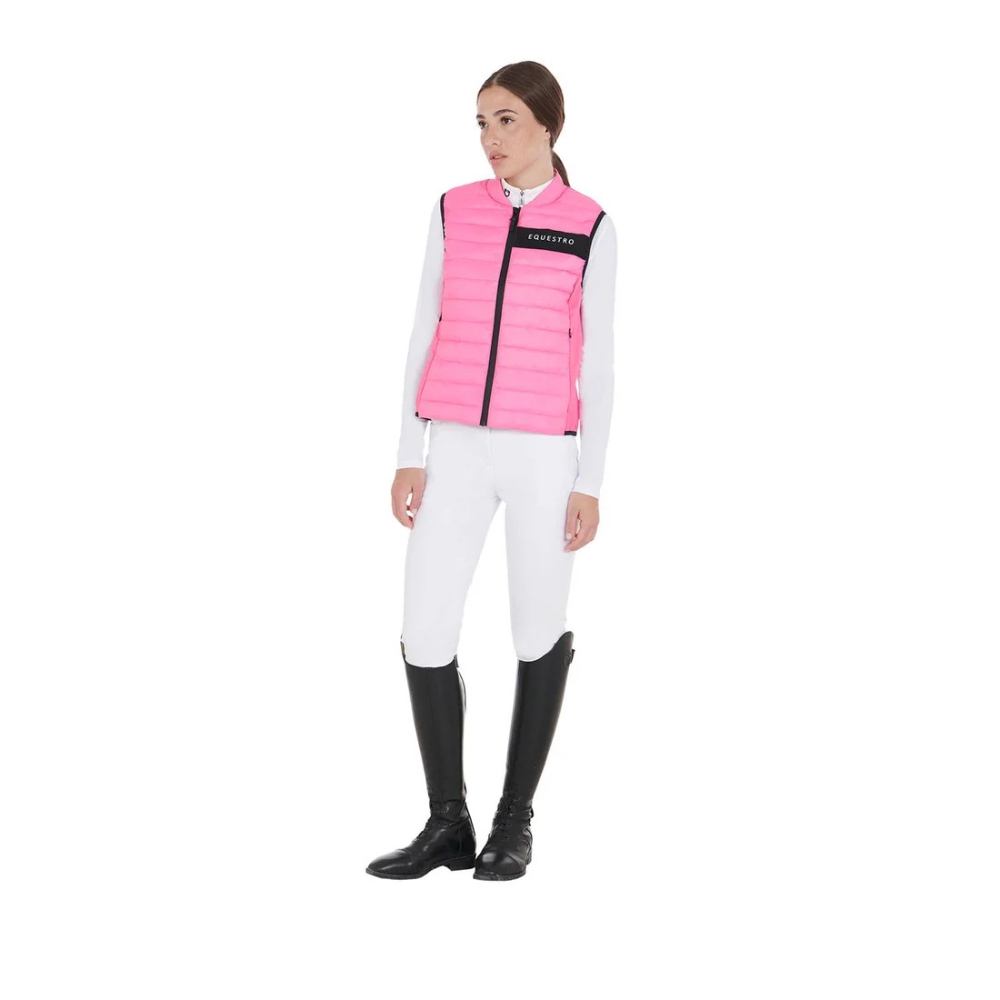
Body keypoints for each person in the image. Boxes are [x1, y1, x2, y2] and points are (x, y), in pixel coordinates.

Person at [366, 60, 617, 881]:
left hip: (544, 453)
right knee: (425, 629)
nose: (490, 138)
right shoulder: (453, 210)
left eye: (506, 120)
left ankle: (515, 821)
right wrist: (409, 452)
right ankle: (448, 821)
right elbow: (423, 329)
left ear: (547, 125)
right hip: (456, 448)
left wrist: (590, 479)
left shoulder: (589, 224)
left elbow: (601, 362)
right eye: (481, 122)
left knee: (536, 630)